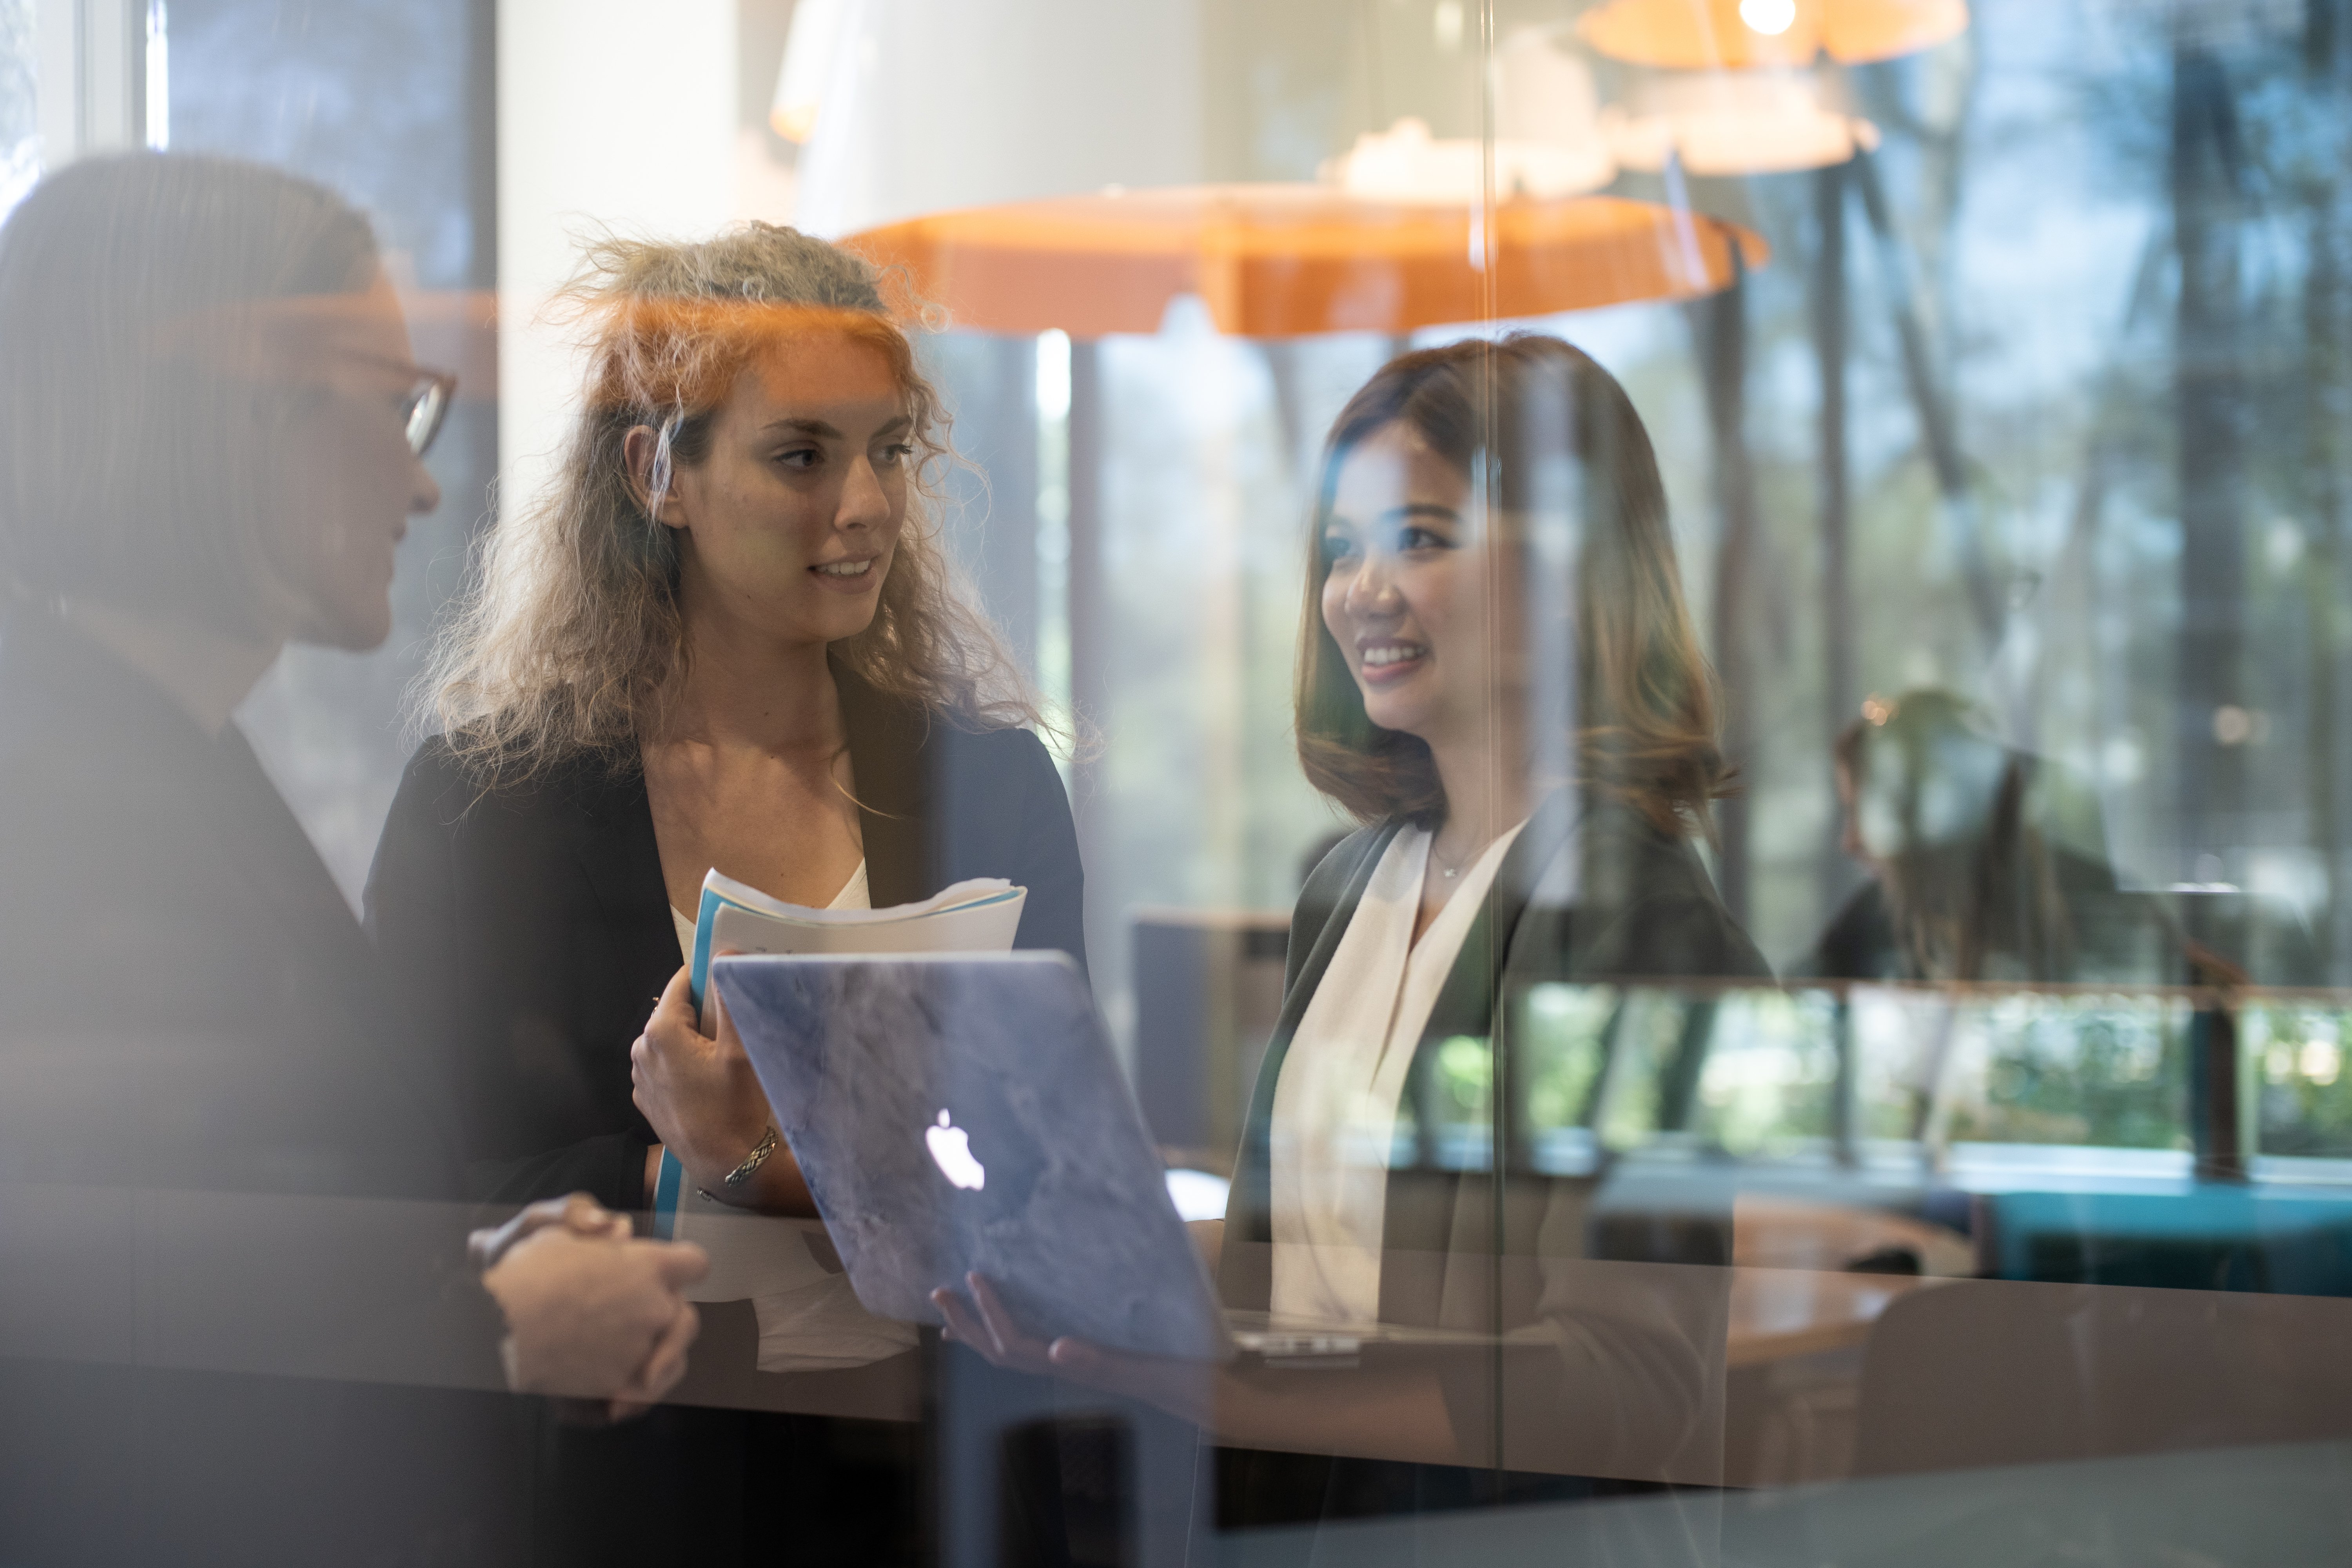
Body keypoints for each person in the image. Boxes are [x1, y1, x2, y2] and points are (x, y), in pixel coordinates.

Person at [934, 335, 1769, 1535]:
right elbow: (1298, 1277)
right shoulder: (1349, 887)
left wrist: (1230, 1390)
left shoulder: (1648, 927)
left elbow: (1630, 1389)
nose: (1360, 591)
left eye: (1420, 539)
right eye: (1342, 549)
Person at [0, 152, 707, 1566]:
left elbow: (222, 1240)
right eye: (388, 409)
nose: (420, 481)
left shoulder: (173, 763)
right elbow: (78, 1346)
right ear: (226, 416)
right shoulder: (57, 797)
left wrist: (483, 1270)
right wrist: (493, 1325)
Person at [365, 222, 1085, 1564]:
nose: (865, 504)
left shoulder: (991, 787)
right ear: (660, 473)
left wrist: (752, 1160)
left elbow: (1049, 1178)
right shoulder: (487, 807)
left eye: (890, 449)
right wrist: (666, 1164)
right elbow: (407, 1192)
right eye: (804, 454)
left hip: (939, 1487)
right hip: (621, 1497)